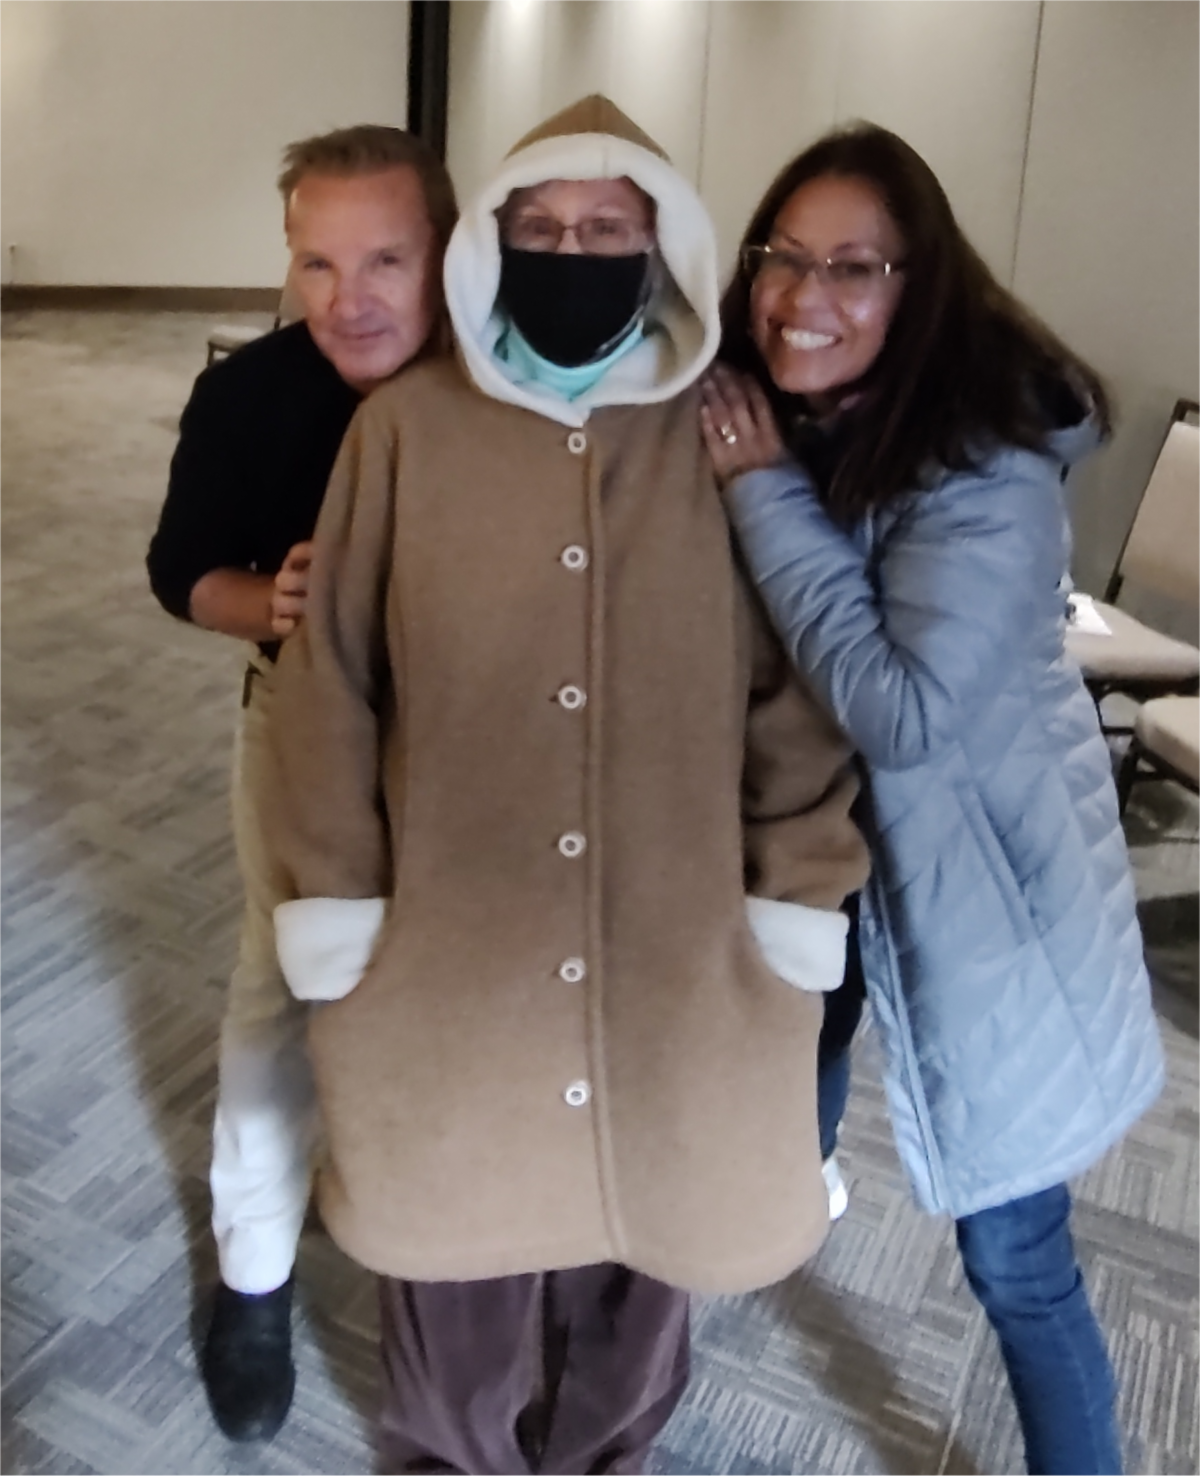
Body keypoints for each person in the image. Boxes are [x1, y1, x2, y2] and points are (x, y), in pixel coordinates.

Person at [263, 95, 869, 1476]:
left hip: (679, 937)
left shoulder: (726, 433)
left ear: (663, 243)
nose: (571, 251)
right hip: (454, 940)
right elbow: (330, 681)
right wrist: (337, 897)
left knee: (646, 1249)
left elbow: (795, 696)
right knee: (456, 1250)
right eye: (538, 227)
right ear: (491, 241)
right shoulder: (408, 430)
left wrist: (794, 898)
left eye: (606, 228)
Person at [700, 122, 1165, 1476]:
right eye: (783, 256)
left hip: (989, 897)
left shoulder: (981, 465)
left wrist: (762, 495)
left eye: (853, 266)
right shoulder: (800, 413)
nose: (804, 295)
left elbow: (902, 715)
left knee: (1015, 1256)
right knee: (792, 1062)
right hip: (837, 862)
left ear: (920, 287)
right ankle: (795, 1195)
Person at [146, 124, 457, 1443]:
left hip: (470, 745)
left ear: (449, 253)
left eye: (386, 259)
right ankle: (256, 1279)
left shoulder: (500, 387)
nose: (349, 298)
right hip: (300, 726)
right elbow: (181, 572)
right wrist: (265, 603)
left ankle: (446, 1267)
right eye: (317, 263)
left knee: (450, 997)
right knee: (276, 991)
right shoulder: (249, 397)